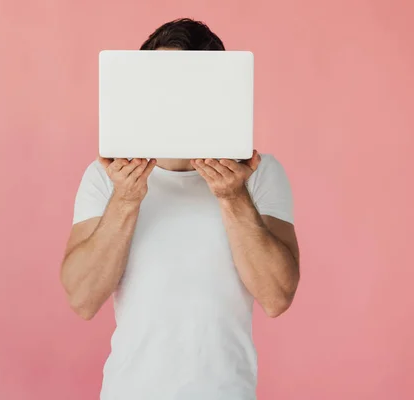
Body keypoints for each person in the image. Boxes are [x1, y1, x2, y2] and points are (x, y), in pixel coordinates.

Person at [60, 18, 300, 400]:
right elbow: (82, 298)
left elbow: (276, 297)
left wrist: (232, 197)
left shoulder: (257, 175)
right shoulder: (108, 177)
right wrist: (125, 200)